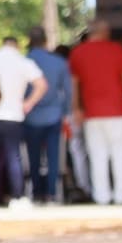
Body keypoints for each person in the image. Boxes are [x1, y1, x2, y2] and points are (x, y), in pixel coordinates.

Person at [70, 21, 122, 208]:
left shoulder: (78, 52)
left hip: (92, 113)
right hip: (118, 111)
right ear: (105, 32)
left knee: (97, 155)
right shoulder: (116, 50)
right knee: (121, 154)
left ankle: (102, 196)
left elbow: (74, 84)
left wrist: (76, 108)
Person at [0, 28, 50, 208]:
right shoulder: (23, 61)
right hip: (14, 114)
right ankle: (17, 196)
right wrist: (28, 103)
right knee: (13, 156)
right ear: (16, 46)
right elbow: (42, 84)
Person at [25, 28, 75, 204]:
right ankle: (52, 192)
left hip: (30, 116)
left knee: (33, 156)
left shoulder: (25, 61)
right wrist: (67, 112)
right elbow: (68, 91)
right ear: (46, 40)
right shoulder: (58, 62)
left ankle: (37, 193)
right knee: (54, 155)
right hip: (54, 115)